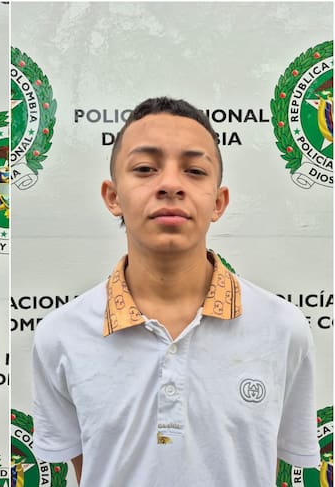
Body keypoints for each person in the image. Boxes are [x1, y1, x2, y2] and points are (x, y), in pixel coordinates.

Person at [31, 97, 320, 486]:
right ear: (113, 197)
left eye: (195, 171)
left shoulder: (282, 329)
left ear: (218, 202)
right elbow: (90, 472)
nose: (170, 185)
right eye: (145, 169)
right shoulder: (61, 335)